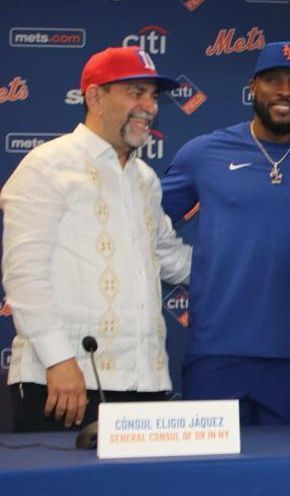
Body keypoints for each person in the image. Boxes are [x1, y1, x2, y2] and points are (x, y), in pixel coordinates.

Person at [161, 41, 290, 425]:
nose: (284, 91)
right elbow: (144, 224)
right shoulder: (203, 154)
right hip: (216, 352)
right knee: (209, 480)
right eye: (272, 80)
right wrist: (194, 267)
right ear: (253, 87)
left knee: (287, 481)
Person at [1, 46, 191, 432]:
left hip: (146, 381)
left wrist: (251, 260)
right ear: (95, 97)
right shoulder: (47, 165)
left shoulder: (145, 180)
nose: (149, 106)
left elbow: (171, 259)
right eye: (136, 92)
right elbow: (24, 276)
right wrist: (58, 359)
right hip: (65, 383)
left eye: (153, 96)